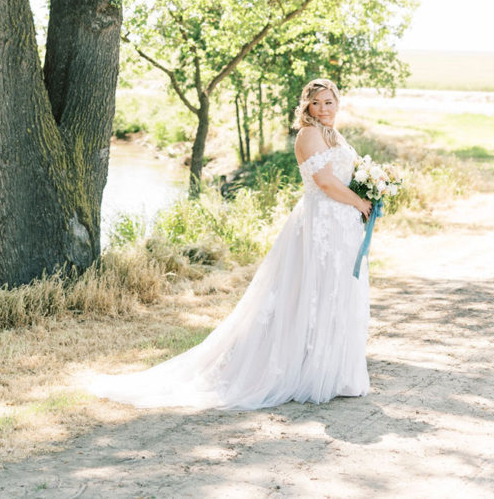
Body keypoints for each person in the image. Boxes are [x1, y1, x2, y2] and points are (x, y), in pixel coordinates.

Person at [87, 79, 372, 409]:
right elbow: (324, 181)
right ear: (306, 107)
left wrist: (368, 194)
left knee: (334, 291)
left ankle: (332, 370)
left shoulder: (332, 134)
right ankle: (307, 370)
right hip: (321, 224)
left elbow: (345, 174)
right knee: (315, 292)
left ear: (337, 103)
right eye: (316, 103)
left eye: (329, 102)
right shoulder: (308, 134)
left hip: (342, 224)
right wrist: (360, 203)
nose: (323, 109)